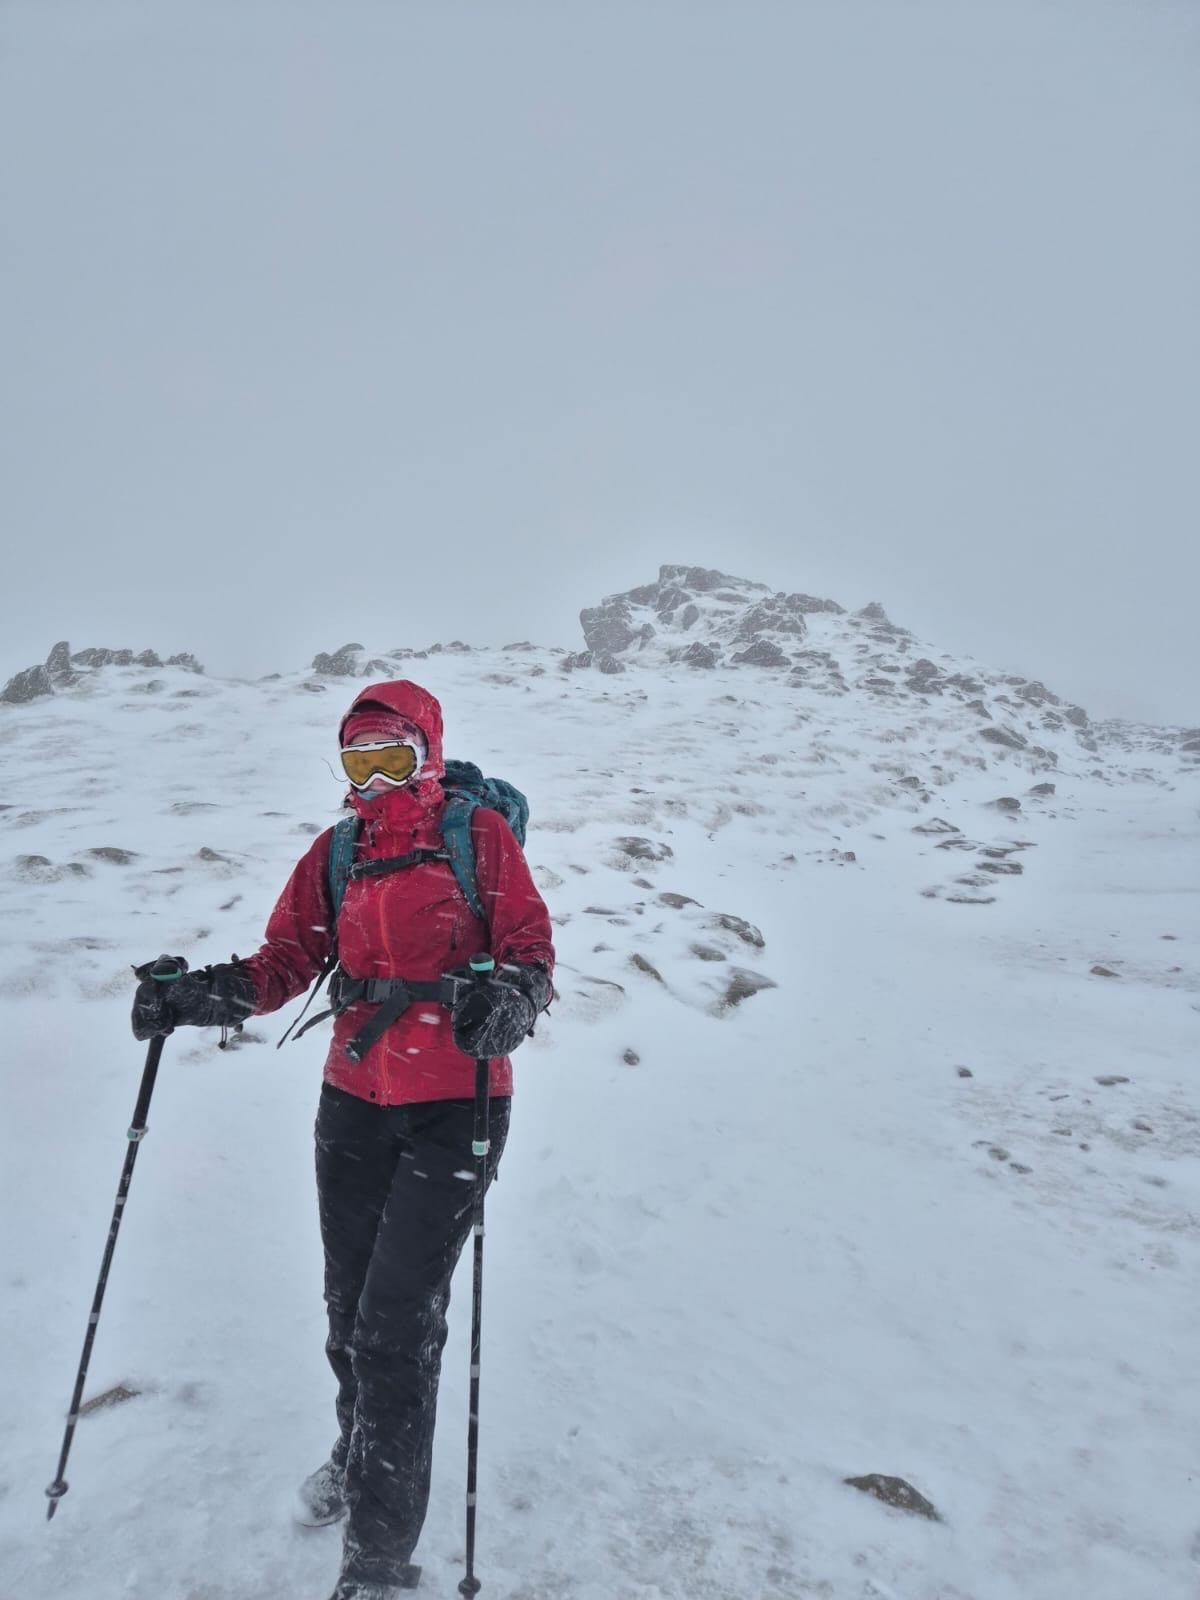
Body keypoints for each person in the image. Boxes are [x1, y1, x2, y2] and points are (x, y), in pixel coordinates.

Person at [131, 680, 555, 1600]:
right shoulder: (337, 851)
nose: (372, 777)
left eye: (390, 757)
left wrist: (513, 998)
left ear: (428, 754)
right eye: (356, 760)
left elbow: (530, 946)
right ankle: (358, 1450)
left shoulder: (478, 838)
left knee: (397, 1329)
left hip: (458, 1102)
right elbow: (287, 959)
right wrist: (196, 994)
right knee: (348, 1309)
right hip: (353, 1101)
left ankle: (376, 1561)